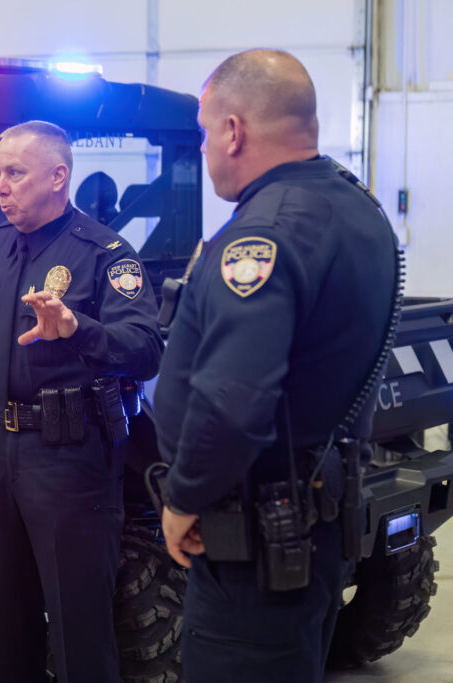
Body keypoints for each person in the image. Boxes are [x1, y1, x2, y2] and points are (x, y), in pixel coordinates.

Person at [153, 50, 398, 683]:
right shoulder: (355, 210)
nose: (206, 150)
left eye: (207, 132)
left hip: (254, 548)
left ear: (234, 131)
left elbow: (235, 400)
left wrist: (184, 497)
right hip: (310, 526)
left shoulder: (260, 237)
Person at [0, 121, 162, 682]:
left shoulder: (106, 254)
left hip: (68, 459)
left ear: (59, 177)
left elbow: (144, 350)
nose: (0, 186)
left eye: (15, 173)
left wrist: (77, 328)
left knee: (79, 628)